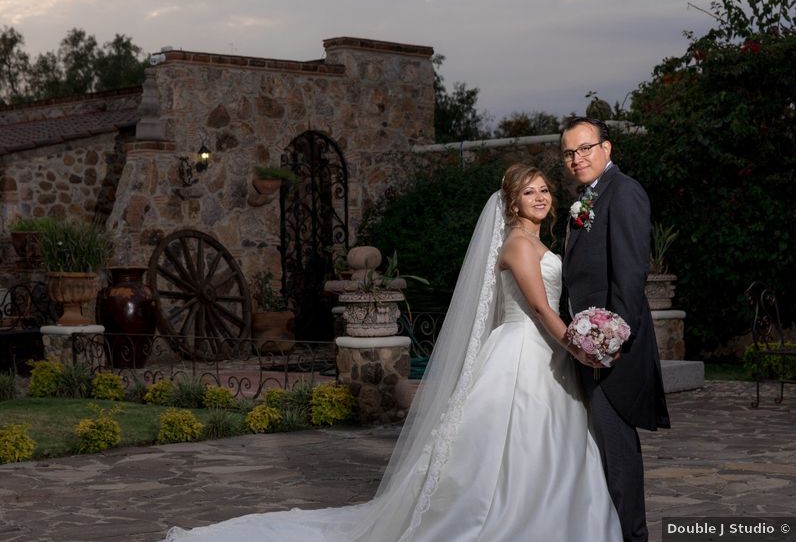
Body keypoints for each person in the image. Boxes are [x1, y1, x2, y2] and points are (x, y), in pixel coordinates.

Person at [164, 164, 621, 542]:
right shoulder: (519, 246)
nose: (540, 197)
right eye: (529, 191)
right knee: (514, 442)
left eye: (544, 190)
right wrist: (580, 348)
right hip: (524, 350)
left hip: (546, 353)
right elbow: (541, 309)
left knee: (548, 441)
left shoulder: (539, 241)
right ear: (512, 202)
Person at [560, 116, 671, 542]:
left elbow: (629, 275)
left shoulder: (623, 192)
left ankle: (633, 537)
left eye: (585, 148)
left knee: (617, 449)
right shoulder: (588, 198)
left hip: (611, 348)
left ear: (607, 148)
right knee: (602, 448)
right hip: (588, 346)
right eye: (570, 152)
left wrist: (611, 341)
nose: (577, 158)